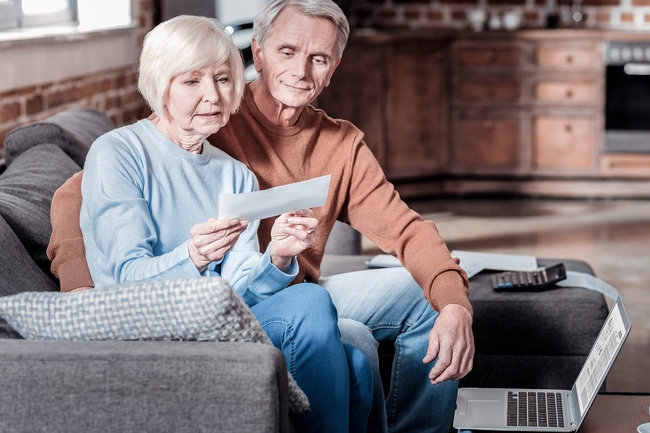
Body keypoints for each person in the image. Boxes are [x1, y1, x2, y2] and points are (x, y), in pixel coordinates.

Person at [47, 1, 475, 432]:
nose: (301, 71)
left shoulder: (330, 147)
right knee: (354, 344)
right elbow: (76, 194)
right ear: (259, 51)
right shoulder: (209, 119)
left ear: (334, 67)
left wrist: (455, 304)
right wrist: (83, 295)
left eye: (319, 58)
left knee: (429, 296)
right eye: (287, 51)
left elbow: (406, 229)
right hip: (224, 301)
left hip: (273, 287)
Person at [74, 14, 372, 433]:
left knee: (357, 362)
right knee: (310, 302)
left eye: (223, 79)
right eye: (192, 81)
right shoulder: (118, 153)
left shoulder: (234, 173)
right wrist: (193, 256)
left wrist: (279, 257)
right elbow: (126, 278)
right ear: (162, 84)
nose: (213, 96)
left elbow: (240, 285)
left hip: (219, 320)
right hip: (152, 327)